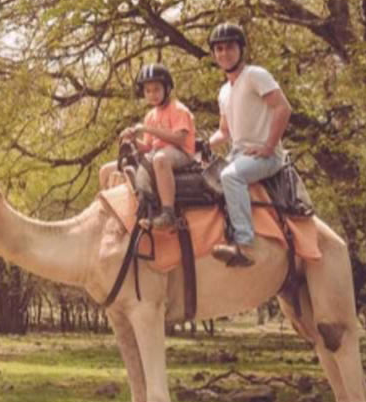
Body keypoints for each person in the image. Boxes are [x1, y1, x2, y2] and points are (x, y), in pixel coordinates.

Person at [206, 23, 293, 267]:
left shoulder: (255, 75)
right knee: (205, 179)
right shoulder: (223, 91)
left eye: (230, 47)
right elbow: (224, 132)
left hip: (266, 156)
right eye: (219, 49)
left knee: (231, 177)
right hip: (239, 154)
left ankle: (245, 244)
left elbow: (283, 108)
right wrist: (201, 145)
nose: (224, 53)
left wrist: (268, 146)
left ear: (241, 49)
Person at [99, 63, 197, 231]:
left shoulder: (178, 109)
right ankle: (110, 210)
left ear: (167, 88)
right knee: (106, 169)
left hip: (181, 153)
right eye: (148, 91)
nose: (152, 95)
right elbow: (148, 147)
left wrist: (149, 129)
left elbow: (181, 139)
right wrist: (132, 141)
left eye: (157, 89)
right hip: (157, 154)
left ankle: (168, 213)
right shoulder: (150, 115)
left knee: (159, 159)